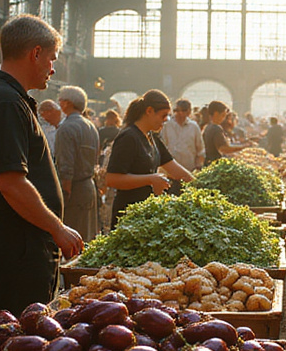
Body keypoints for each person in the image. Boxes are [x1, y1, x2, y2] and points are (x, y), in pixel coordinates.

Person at [0, 14, 83, 335]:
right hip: (15, 240)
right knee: (14, 335)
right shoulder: (4, 103)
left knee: (19, 331)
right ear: (35, 53)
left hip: (19, 238)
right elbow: (11, 183)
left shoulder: (9, 99)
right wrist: (56, 228)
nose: (53, 68)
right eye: (52, 59)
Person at [105, 89, 194, 227]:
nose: (166, 120)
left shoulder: (153, 138)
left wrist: (199, 187)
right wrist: (150, 179)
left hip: (146, 214)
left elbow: (175, 169)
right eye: (163, 115)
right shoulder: (129, 137)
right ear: (149, 111)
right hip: (128, 216)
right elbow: (112, 179)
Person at [54, 84, 100, 244]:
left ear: (67, 103)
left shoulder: (66, 128)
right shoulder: (91, 127)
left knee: (72, 240)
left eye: (61, 100)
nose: (59, 104)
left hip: (74, 190)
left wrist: (64, 195)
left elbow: (66, 166)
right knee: (87, 238)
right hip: (89, 186)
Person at [160, 98, 205, 171]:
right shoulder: (166, 126)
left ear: (189, 112)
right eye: (177, 110)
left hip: (189, 170)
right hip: (170, 171)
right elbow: (162, 147)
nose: (180, 113)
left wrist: (198, 167)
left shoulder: (194, 127)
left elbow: (200, 150)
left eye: (183, 110)